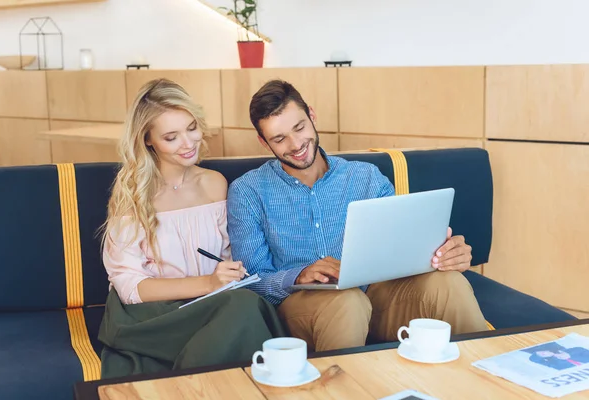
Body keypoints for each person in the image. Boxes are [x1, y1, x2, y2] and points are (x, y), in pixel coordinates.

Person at [226, 79, 488, 352]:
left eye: (300, 127)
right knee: (347, 302)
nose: (295, 144)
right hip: (304, 308)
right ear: (263, 141)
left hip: (377, 300)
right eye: (279, 139)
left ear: (312, 115)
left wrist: (445, 254)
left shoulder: (365, 177)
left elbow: (404, 244)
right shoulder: (247, 191)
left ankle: (491, 382)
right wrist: (299, 275)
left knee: (448, 283)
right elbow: (252, 282)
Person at [98, 78, 285, 378]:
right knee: (244, 310)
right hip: (152, 316)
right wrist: (208, 284)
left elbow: (231, 259)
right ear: (148, 140)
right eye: (171, 137)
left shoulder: (215, 184)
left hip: (212, 306)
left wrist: (228, 275)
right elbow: (130, 287)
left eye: (191, 128)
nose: (188, 143)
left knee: (247, 305)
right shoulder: (132, 196)